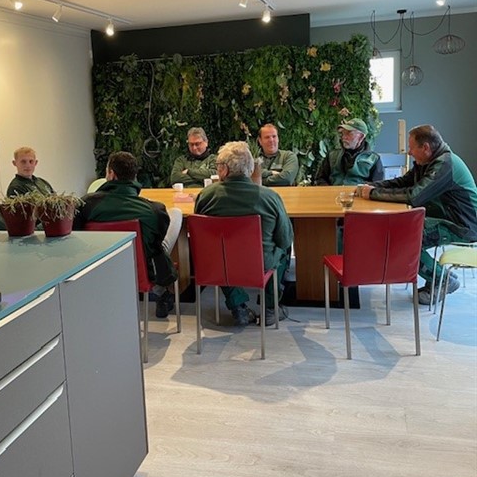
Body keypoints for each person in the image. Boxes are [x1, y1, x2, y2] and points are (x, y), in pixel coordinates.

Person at [356, 125, 477, 304]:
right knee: (401, 234)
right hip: (447, 218)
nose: (410, 152)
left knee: (404, 240)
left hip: (462, 226)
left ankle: (443, 280)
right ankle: (436, 281)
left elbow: (415, 196)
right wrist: (373, 187)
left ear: (426, 147)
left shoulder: (444, 165)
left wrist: (372, 194)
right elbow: (404, 182)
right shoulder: (428, 162)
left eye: (412, 148)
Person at [194, 141, 293, 327]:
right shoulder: (270, 197)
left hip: (220, 265)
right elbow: (285, 239)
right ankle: (270, 308)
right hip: (259, 264)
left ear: (223, 170)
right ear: (249, 169)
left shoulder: (205, 196)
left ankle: (237, 306)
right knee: (283, 250)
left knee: (222, 251)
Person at [74, 151, 183, 318]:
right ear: (135, 176)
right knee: (175, 214)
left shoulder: (86, 204)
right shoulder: (154, 210)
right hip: (143, 267)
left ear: (111, 174)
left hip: (100, 268)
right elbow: (157, 241)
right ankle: (161, 292)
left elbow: (76, 232)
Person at [315, 118, 384, 185]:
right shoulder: (332, 155)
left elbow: (377, 186)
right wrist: (328, 192)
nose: (344, 137)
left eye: (349, 133)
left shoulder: (373, 159)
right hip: (333, 195)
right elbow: (320, 178)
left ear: (361, 137)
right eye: (343, 133)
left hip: (359, 195)